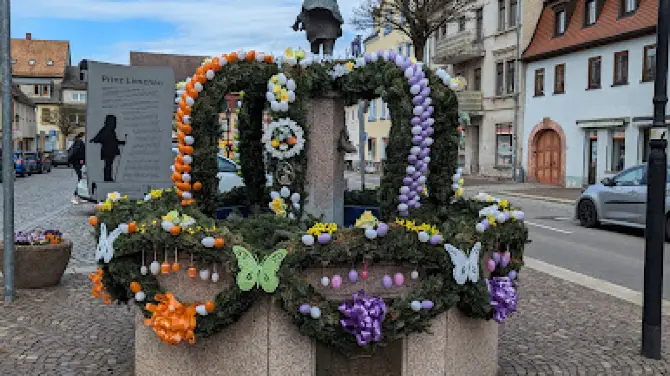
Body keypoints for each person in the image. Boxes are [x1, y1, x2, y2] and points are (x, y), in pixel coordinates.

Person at [90, 114, 125, 182]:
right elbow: (99, 138)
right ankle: (107, 177)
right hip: (108, 151)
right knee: (108, 164)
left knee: (109, 164)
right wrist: (94, 140)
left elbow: (114, 141)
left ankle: (108, 177)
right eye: (114, 122)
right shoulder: (106, 130)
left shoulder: (109, 131)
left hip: (110, 151)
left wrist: (121, 142)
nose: (115, 124)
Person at [68, 132, 86, 204]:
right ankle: (75, 196)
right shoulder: (79, 142)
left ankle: (80, 196)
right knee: (81, 179)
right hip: (78, 163)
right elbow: (79, 152)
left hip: (76, 163)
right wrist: (81, 159)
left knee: (81, 179)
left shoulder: (76, 141)